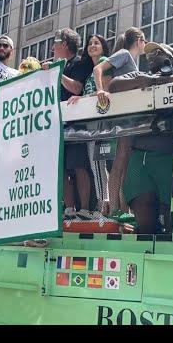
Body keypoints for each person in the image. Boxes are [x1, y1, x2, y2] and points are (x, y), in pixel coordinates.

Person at [117, 42, 173, 234]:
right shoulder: (139, 75)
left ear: (170, 57)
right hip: (140, 153)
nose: (151, 56)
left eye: (157, 52)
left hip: (170, 154)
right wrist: (144, 80)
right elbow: (114, 85)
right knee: (143, 210)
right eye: (149, 54)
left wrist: (158, 81)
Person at [92, 28, 147, 219]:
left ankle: (122, 209)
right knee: (119, 162)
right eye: (144, 41)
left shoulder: (132, 62)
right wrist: (100, 91)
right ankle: (116, 208)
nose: (145, 45)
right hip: (122, 118)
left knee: (125, 163)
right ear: (139, 41)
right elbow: (98, 69)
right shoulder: (123, 54)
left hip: (131, 118)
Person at [47, 28, 96, 220]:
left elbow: (77, 88)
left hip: (77, 125)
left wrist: (56, 72)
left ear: (65, 44)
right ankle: (68, 209)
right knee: (61, 169)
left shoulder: (80, 63)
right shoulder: (59, 66)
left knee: (78, 165)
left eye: (55, 43)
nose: (52, 47)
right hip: (56, 126)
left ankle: (83, 209)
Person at [67, 35, 112, 214]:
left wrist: (82, 98)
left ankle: (106, 206)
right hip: (90, 125)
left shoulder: (104, 63)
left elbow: (106, 91)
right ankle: (102, 204)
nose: (92, 46)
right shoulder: (90, 71)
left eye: (97, 43)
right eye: (90, 43)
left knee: (101, 165)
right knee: (95, 166)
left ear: (104, 47)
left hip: (102, 122)